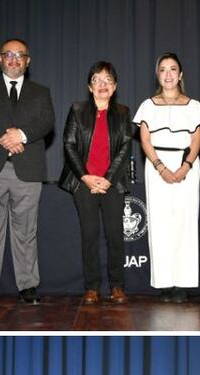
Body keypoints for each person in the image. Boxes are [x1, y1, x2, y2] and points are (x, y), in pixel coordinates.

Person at [0, 37, 54, 307]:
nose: (14, 59)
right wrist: (2, 138)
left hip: (27, 171)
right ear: (0, 59)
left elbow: (47, 121)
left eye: (20, 55)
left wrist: (22, 135)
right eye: (9, 54)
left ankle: (28, 286)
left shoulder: (41, 91)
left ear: (28, 61)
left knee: (26, 231)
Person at [59, 61, 133, 305]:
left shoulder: (123, 112)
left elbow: (125, 146)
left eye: (108, 80)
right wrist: (86, 177)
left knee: (114, 235)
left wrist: (108, 179)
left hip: (112, 184)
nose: (102, 85)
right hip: (84, 183)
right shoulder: (77, 110)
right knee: (89, 235)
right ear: (89, 87)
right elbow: (69, 143)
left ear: (115, 87)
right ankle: (91, 287)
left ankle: (117, 285)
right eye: (97, 80)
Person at [133, 53, 200, 303]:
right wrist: (161, 167)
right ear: (157, 74)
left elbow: (196, 141)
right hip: (156, 167)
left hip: (187, 166)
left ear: (181, 74)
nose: (168, 74)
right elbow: (145, 140)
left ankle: (183, 283)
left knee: (185, 223)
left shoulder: (194, 106)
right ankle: (164, 282)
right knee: (161, 223)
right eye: (163, 69)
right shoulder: (147, 105)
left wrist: (185, 166)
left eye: (173, 69)